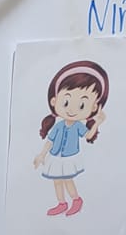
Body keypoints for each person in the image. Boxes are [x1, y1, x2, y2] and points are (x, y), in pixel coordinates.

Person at [32, 61, 109, 217]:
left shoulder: (78, 126)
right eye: (66, 102)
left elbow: (88, 135)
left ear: (94, 108)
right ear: (54, 101)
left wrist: (97, 123)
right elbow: (50, 141)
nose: (72, 110)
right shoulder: (58, 126)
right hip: (55, 156)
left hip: (68, 158)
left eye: (82, 105)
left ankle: (76, 200)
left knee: (67, 180)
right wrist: (42, 155)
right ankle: (62, 203)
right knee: (57, 181)